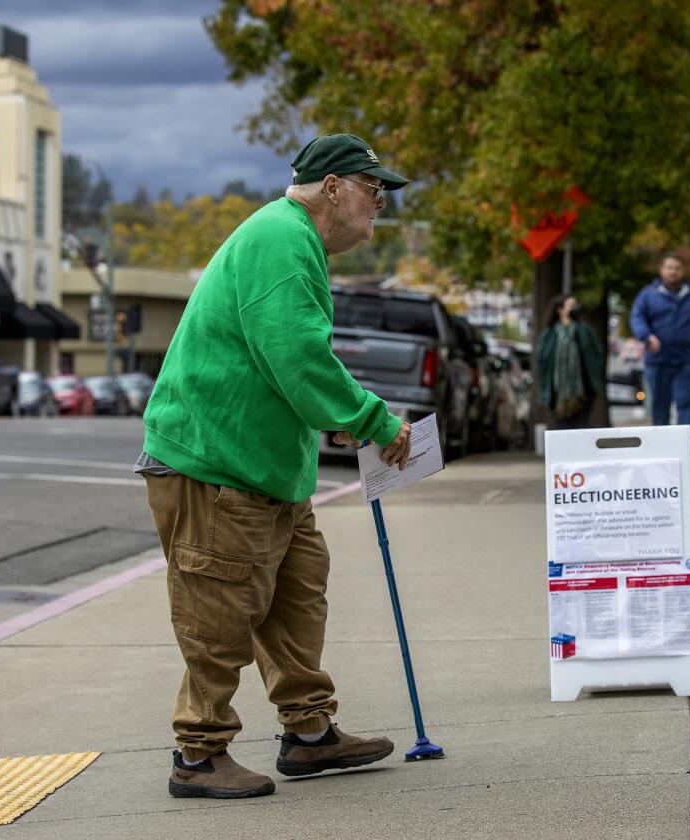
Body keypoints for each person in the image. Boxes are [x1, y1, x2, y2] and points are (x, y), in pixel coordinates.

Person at [136, 134, 414, 800]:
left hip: (261, 474)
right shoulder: (282, 241)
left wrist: (339, 417)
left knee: (294, 600)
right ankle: (197, 758)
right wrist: (373, 420)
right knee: (220, 612)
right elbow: (299, 358)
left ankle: (310, 734)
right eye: (375, 193)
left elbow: (285, 365)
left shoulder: (294, 243)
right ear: (334, 187)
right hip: (215, 467)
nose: (381, 209)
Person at [629, 254, 690, 437]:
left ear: (683, 271)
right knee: (660, 404)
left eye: (677, 268)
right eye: (670, 267)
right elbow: (636, 318)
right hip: (658, 359)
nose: (673, 272)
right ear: (661, 270)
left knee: (685, 403)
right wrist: (647, 336)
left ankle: (689, 443)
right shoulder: (648, 294)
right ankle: (661, 443)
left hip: (686, 359)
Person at [536, 294, 603, 430]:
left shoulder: (584, 330)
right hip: (556, 393)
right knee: (561, 429)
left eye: (576, 305)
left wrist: (594, 378)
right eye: (571, 306)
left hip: (583, 392)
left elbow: (598, 353)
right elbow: (542, 361)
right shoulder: (549, 334)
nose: (575, 308)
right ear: (560, 310)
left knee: (581, 428)